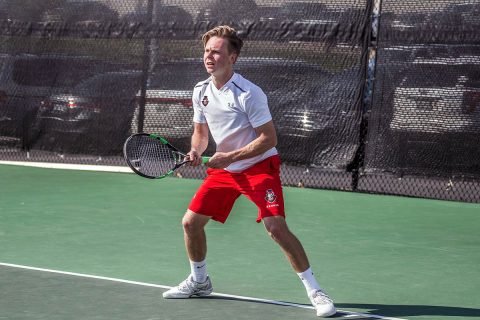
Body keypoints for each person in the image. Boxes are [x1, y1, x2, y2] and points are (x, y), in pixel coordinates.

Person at [162, 25, 336, 318]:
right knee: (190, 223)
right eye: (206, 51)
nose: (209, 56)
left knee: (276, 229)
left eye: (216, 51)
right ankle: (200, 281)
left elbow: (269, 139)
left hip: (258, 168)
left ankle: (316, 291)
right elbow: (201, 134)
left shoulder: (249, 93)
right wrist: (196, 151)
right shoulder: (200, 91)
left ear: (233, 57)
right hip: (224, 171)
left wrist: (229, 156)